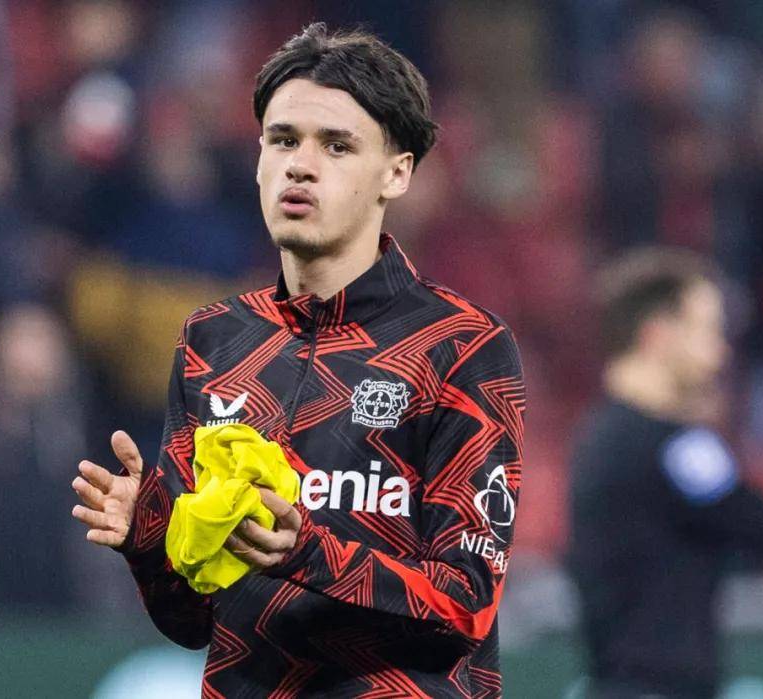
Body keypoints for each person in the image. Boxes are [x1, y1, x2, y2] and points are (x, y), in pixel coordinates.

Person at [70, 23, 526, 697]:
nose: (300, 165)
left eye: (336, 145)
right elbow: (193, 619)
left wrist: (305, 549)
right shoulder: (213, 341)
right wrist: (148, 534)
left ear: (396, 172)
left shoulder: (462, 345)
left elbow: (464, 602)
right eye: (282, 139)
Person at [565, 247, 763, 699]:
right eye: (707, 331)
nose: (719, 351)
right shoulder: (669, 449)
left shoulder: (602, 439)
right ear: (658, 334)